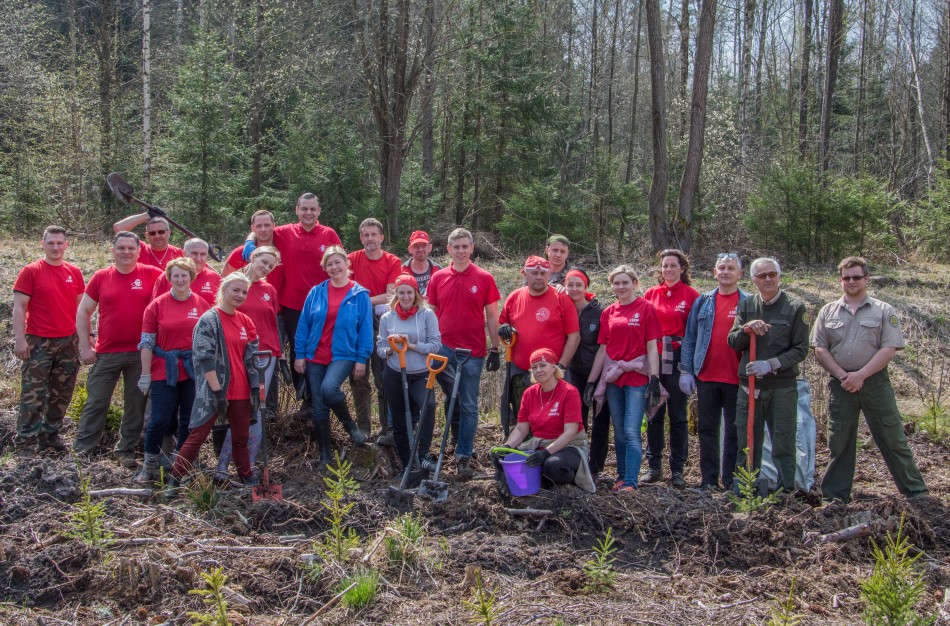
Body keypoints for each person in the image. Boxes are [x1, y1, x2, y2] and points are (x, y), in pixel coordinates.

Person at [811, 256, 928, 502]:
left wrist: (861, 375)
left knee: (892, 437)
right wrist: (844, 375)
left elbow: (889, 348)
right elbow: (820, 348)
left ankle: (916, 493)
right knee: (839, 442)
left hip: (874, 383)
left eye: (856, 277)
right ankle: (834, 497)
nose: (851, 281)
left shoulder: (883, 310)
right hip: (841, 384)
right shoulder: (827, 311)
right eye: (846, 277)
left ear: (867, 279)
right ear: (840, 280)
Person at [74, 232, 162, 467]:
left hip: (141, 354)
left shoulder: (153, 275)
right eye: (121, 248)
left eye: (130, 248)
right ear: (112, 251)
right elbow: (83, 311)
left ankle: (125, 450)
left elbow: (170, 301)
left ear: (138, 250)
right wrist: (85, 345)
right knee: (96, 402)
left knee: (136, 404)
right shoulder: (101, 277)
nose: (126, 252)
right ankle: (83, 451)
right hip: (106, 352)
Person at [167, 273, 259, 490]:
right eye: (235, 290)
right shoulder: (209, 320)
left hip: (242, 390)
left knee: (240, 436)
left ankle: (246, 476)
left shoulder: (245, 320)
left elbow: (252, 356)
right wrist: (217, 392)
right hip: (215, 389)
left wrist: (255, 386)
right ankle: (174, 479)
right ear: (224, 290)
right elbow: (204, 357)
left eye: (244, 292)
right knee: (198, 435)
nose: (240, 295)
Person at [246, 193, 342, 394]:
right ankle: (300, 396)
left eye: (312, 209)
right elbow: (259, 232)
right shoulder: (285, 232)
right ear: (297, 210)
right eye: (304, 209)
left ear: (318, 211)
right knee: (297, 352)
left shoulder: (329, 234)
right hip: (292, 305)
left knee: (317, 350)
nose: (308, 213)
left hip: (322, 304)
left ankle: (316, 398)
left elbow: (339, 262)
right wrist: (249, 241)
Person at [727, 257, 808, 492]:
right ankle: (746, 490)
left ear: (779, 276)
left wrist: (772, 364)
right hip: (748, 388)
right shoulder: (746, 306)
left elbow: (801, 349)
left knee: (783, 442)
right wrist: (746, 328)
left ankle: (786, 493)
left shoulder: (794, 307)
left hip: (781, 387)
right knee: (747, 442)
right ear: (754, 280)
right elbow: (732, 341)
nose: (768, 279)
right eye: (762, 276)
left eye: (772, 274)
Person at [426, 227, 502, 477]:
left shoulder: (484, 278)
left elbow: (492, 314)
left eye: (464, 246)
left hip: (472, 351)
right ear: (448, 249)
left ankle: (463, 455)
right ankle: (439, 445)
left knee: (468, 404)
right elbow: (430, 312)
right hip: (442, 348)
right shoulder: (438, 277)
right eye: (455, 247)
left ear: (472, 248)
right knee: (446, 398)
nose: (460, 251)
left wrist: (495, 348)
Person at [294, 246, 373, 467]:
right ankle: (325, 456)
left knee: (329, 389)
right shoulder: (316, 292)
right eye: (329, 264)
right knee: (319, 404)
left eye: (338, 262)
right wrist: (300, 354)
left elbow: (365, 329)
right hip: (315, 353)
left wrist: (361, 358)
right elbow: (304, 326)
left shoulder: (360, 294)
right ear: (325, 268)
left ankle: (350, 427)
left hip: (344, 353)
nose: (334, 267)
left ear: (347, 264)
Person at [585, 265, 661, 491]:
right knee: (618, 430)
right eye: (616, 283)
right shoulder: (609, 312)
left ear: (635, 284)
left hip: (637, 379)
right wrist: (591, 381)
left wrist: (654, 378)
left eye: (625, 282)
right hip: (614, 379)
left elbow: (652, 347)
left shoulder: (646, 308)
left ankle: (631, 480)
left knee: (631, 430)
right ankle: (621, 477)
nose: (620, 287)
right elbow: (602, 350)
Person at [135, 257, 210, 482]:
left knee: (190, 419)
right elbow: (147, 342)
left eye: (183, 275)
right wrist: (145, 375)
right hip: (163, 371)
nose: (179, 279)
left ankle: (184, 464)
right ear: (169, 278)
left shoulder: (201, 304)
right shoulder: (156, 306)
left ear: (191, 278)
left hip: (192, 371)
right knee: (160, 418)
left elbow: (208, 341)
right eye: (175, 275)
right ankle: (149, 465)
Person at [12, 226, 86, 454]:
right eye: (51, 243)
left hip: (68, 342)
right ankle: (26, 439)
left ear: (66, 245)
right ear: (42, 244)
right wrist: (20, 340)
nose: (55, 247)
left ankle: (50, 435)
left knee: (62, 392)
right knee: (33, 392)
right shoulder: (31, 271)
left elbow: (81, 310)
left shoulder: (74, 272)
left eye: (59, 243)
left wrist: (85, 339)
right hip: (38, 341)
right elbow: (19, 307)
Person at [679, 253, 747, 491]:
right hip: (706, 377)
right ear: (714, 272)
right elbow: (690, 338)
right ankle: (708, 480)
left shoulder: (748, 302)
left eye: (731, 268)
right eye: (722, 268)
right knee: (707, 429)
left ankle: (730, 481)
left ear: (740, 274)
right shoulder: (704, 301)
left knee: (734, 431)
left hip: (736, 378)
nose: (726, 272)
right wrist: (686, 371)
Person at [216, 246, 283, 481]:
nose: (265, 268)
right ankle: (223, 465)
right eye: (263, 262)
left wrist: (279, 352)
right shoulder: (234, 284)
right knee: (238, 409)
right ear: (252, 258)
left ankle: (249, 464)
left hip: (265, 355)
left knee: (257, 410)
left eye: (271, 266)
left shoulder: (269, 290)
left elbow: (271, 322)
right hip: (236, 353)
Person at [493, 348, 596, 493]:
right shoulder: (530, 393)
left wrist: (546, 453)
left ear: (554, 367)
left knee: (552, 465)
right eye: (534, 367)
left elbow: (570, 432)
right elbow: (521, 429)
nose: (538, 370)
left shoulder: (569, 391)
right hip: (539, 444)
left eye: (543, 365)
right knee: (503, 460)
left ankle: (569, 486)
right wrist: (507, 446)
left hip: (570, 445)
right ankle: (513, 494)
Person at [642, 249, 700, 487]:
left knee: (677, 416)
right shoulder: (650, 294)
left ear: (682, 268)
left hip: (677, 358)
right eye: (665, 266)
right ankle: (654, 466)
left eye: (673, 266)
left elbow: (695, 332)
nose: (668, 270)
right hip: (654, 358)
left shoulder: (691, 295)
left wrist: (689, 367)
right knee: (654, 414)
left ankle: (677, 469)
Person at [498, 255, 579, 424]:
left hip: (553, 372)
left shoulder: (561, 298)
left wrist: (561, 367)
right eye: (534, 273)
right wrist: (503, 329)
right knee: (522, 418)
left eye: (543, 273)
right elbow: (503, 324)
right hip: (520, 370)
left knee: (554, 419)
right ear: (524, 274)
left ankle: (553, 449)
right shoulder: (514, 297)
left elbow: (574, 336)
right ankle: (519, 447)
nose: (539, 277)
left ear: (549, 274)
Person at [376, 274, 442, 470]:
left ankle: (422, 454)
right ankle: (406, 461)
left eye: (409, 293)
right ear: (396, 294)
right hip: (395, 372)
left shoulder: (427, 315)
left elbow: (435, 345)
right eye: (401, 292)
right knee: (399, 416)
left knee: (428, 406)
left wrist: (411, 345)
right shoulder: (387, 317)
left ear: (416, 294)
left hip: (421, 373)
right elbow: (380, 348)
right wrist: (391, 348)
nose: (405, 297)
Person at [348, 218, 403, 443]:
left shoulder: (392, 261)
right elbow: (345, 294)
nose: (370, 239)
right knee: (358, 377)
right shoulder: (352, 259)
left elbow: (391, 296)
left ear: (381, 237)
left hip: (383, 323)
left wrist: (361, 299)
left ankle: (387, 427)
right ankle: (363, 428)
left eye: (374, 235)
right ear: (361, 237)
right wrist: (371, 300)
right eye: (366, 235)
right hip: (356, 324)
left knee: (384, 377)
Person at [564, 268, 612, 477]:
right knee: (577, 421)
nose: (574, 289)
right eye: (570, 285)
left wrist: (595, 380)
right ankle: (578, 462)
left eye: (579, 285)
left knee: (600, 419)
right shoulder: (562, 308)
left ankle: (596, 467)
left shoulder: (599, 312)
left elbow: (604, 347)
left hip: (599, 372)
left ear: (586, 288)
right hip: (573, 373)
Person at [152, 238, 221, 305]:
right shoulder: (168, 276)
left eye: (203, 254)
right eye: (194, 253)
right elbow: (154, 308)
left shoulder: (216, 278)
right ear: (184, 253)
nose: (198, 258)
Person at [112, 213, 183, 270]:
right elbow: (118, 228)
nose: (157, 236)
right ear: (147, 235)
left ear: (169, 232)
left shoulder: (181, 254)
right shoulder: (139, 249)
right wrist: (147, 215)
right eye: (152, 233)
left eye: (161, 232)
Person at [222, 210, 276, 276]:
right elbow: (223, 278)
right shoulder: (242, 251)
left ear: (274, 226)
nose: (263, 229)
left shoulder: (283, 247)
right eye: (259, 226)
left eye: (267, 225)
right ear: (252, 228)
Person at [402, 230, 442, 296]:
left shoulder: (439, 270)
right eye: (416, 246)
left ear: (430, 248)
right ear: (410, 249)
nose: (420, 249)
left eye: (424, 245)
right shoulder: (401, 272)